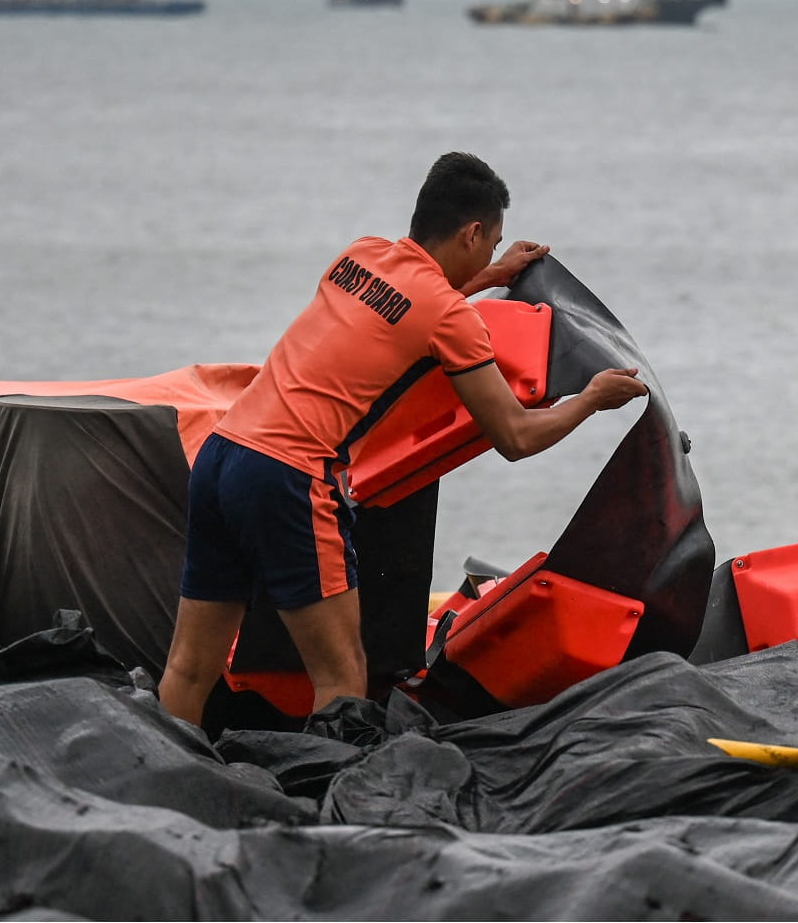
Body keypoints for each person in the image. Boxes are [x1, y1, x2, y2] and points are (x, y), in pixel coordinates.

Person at [158, 152, 647, 725]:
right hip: (285, 477)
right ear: (472, 232)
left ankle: (158, 784)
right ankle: (339, 808)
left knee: (191, 667)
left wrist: (488, 276)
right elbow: (515, 436)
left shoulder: (359, 256)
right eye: (490, 244)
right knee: (342, 678)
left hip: (222, 455)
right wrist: (589, 400)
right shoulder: (448, 316)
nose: (491, 253)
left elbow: (406, 306)